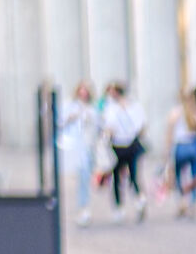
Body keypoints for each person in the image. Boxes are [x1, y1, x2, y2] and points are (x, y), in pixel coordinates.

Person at [102, 81, 146, 219]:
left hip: (128, 143)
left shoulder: (131, 107)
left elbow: (140, 125)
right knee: (118, 177)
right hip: (118, 145)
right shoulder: (111, 107)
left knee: (131, 175)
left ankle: (137, 200)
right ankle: (120, 206)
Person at [58, 81, 99, 226]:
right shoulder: (70, 106)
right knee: (77, 177)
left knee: (84, 177)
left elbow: (97, 127)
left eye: (86, 90)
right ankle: (81, 208)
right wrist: (72, 117)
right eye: (81, 90)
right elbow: (60, 122)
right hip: (73, 146)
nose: (83, 93)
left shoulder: (92, 109)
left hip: (87, 147)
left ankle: (84, 208)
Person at [165, 87, 196, 216]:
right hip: (194, 145)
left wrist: (167, 150)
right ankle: (193, 201)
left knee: (178, 175)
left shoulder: (175, 112)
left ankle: (182, 200)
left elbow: (170, 133)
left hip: (181, 145)